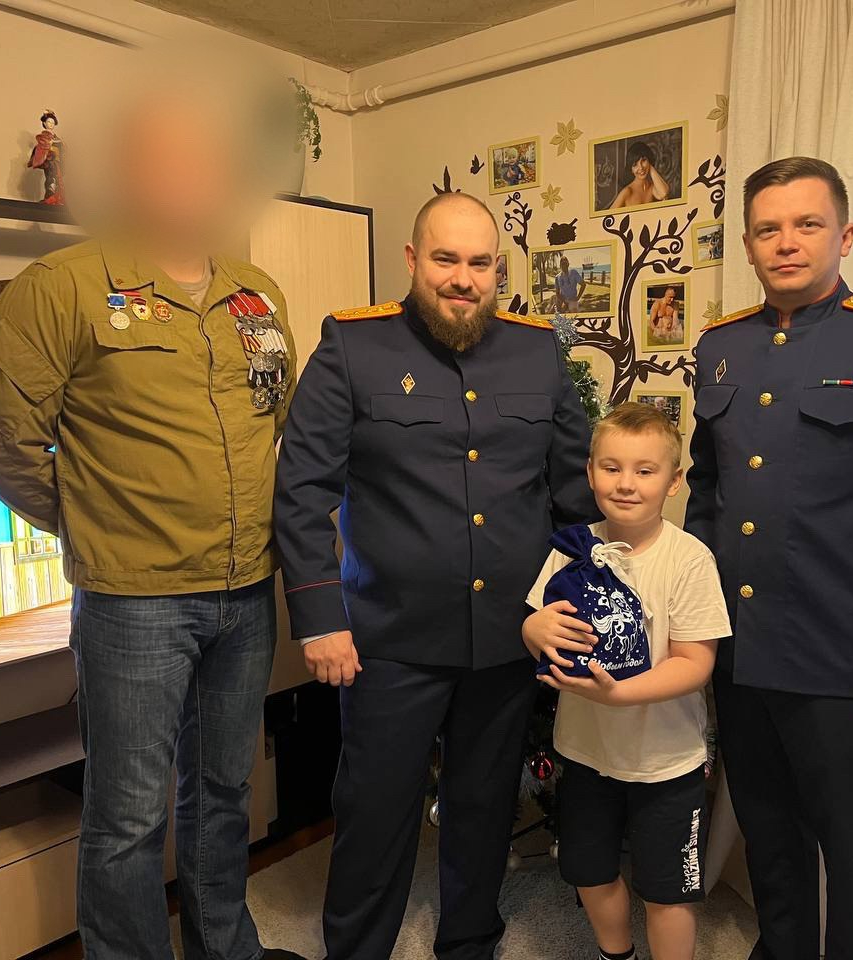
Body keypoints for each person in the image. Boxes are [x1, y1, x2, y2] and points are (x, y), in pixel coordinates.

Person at [0, 80, 305, 960]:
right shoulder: (62, 287)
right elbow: (2, 443)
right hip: (133, 605)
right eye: (167, 158)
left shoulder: (257, 293)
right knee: (126, 818)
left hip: (247, 590)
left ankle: (224, 947)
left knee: (223, 792)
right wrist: (94, 520)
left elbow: (284, 421)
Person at [275, 191, 599, 960]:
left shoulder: (537, 352)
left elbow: (572, 495)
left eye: (480, 263)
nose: (463, 278)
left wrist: (580, 604)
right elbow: (301, 489)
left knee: (484, 807)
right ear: (413, 259)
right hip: (390, 640)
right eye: (446, 259)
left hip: (508, 635)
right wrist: (320, 620)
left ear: (498, 269)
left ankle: (469, 944)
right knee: (374, 810)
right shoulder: (353, 346)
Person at [684, 156, 853, 960]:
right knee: (768, 834)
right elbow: (706, 494)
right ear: (748, 243)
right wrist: (694, 625)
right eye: (768, 229)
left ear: (845, 234)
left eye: (807, 224)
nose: (787, 242)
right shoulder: (721, 346)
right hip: (740, 648)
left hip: (839, 652)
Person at [525, 402, 731, 960]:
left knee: (667, 891)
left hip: (666, 762)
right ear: (590, 472)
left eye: (645, 470)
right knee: (588, 871)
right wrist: (531, 628)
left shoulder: (689, 559)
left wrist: (618, 694)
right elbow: (540, 624)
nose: (626, 483)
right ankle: (615, 953)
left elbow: (695, 663)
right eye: (611, 468)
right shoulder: (571, 549)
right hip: (586, 753)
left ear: (673, 481)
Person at [609, 140, 671, 210]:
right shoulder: (627, 192)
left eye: (643, 160)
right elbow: (609, 215)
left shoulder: (652, 187)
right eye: (635, 164)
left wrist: (650, 167)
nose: (641, 167)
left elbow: (664, 193)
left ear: (649, 160)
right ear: (631, 170)